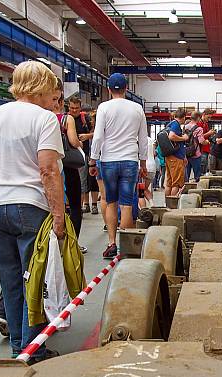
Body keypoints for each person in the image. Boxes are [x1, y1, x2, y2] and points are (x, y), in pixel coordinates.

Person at [0, 60, 65, 360]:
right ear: (42, 86)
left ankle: (17, 347)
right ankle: (31, 350)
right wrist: (60, 218)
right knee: (34, 280)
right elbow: (48, 170)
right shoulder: (44, 119)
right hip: (30, 205)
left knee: (10, 280)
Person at [89, 72, 148, 259]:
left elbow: (98, 136)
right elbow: (143, 140)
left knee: (111, 203)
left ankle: (112, 243)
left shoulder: (104, 108)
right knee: (127, 205)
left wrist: (93, 159)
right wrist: (144, 162)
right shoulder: (137, 108)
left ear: (108, 89)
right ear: (127, 89)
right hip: (130, 160)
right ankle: (126, 247)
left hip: (108, 161)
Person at [54, 86, 87, 253]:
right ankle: (73, 244)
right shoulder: (66, 119)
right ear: (61, 103)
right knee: (75, 206)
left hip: (47, 166)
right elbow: (73, 141)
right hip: (67, 167)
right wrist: (80, 144)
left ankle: (53, 245)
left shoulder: (39, 117)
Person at [67, 98, 98, 215]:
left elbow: (98, 133)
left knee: (83, 181)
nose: (74, 110)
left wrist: (87, 136)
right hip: (68, 156)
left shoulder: (86, 119)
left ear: (80, 108)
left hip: (84, 154)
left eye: (76, 108)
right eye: (71, 108)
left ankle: (81, 207)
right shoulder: (65, 118)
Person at [164, 108, 188, 198]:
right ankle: (172, 206)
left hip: (169, 157)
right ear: (184, 117)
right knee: (176, 184)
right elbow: (171, 136)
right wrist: (183, 138)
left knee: (169, 183)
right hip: (176, 158)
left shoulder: (170, 124)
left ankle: (168, 204)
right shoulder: (175, 124)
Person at [184, 111, 205, 183]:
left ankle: (185, 191)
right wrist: (207, 142)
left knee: (186, 176)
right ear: (198, 118)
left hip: (185, 154)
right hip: (195, 154)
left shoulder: (185, 127)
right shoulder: (199, 129)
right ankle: (196, 192)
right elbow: (201, 141)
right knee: (197, 176)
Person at [197, 109, 215, 174]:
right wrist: (209, 133)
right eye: (208, 117)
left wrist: (211, 134)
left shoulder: (205, 124)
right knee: (202, 168)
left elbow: (206, 136)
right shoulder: (199, 123)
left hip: (206, 149)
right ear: (204, 115)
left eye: (210, 117)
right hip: (201, 149)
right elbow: (198, 137)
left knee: (204, 168)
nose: (209, 119)